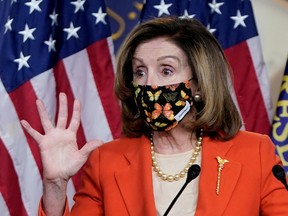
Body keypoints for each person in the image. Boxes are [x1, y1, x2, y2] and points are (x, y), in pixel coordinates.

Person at [21, 16, 288, 216]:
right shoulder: (106, 162)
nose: (149, 84)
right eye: (140, 72)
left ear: (199, 83)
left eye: (166, 71)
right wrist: (54, 184)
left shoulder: (255, 153)